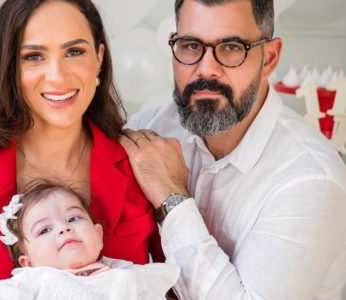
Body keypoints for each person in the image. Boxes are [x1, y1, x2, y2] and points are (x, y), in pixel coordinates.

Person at [0, 0, 163, 299]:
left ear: (99, 58)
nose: (57, 76)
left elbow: (184, 288)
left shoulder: (141, 167)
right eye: (34, 56)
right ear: (9, 67)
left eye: (74, 52)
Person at [119, 0, 346, 299]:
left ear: (269, 58)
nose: (206, 69)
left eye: (231, 47)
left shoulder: (312, 180)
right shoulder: (152, 126)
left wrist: (170, 196)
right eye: (190, 45)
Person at [0, 181, 179, 300]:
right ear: (27, 262)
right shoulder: (31, 283)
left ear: (98, 235)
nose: (64, 228)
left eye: (73, 218)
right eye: (45, 230)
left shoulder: (128, 274)